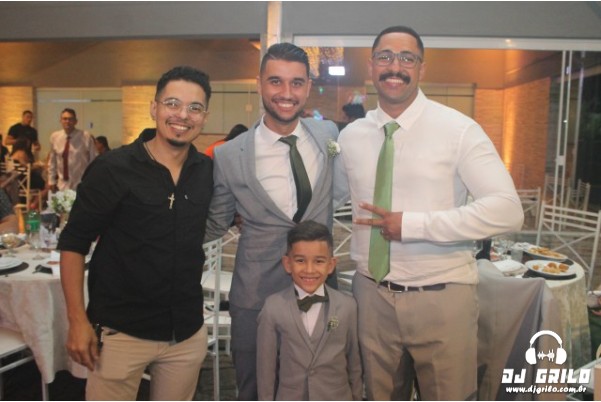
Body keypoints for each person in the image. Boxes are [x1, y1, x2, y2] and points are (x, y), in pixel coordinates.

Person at [336, 25, 524, 400]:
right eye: (385, 57)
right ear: (371, 66)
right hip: (371, 297)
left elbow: (507, 210)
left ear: (421, 68)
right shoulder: (351, 136)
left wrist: (413, 225)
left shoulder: (458, 130)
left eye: (407, 58)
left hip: (442, 298)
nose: (395, 66)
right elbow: (327, 198)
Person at [58, 66, 214, 400]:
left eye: (195, 107)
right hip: (121, 332)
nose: (182, 115)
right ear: (154, 108)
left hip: (185, 332)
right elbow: (73, 243)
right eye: (172, 103)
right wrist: (77, 320)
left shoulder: (207, 172)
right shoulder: (113, 169)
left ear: (204, 116)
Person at [205, 42, 344, 400]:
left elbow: (342, 193)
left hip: (319, 289)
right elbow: (216, 222)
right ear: (259, 84)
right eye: (276, 81)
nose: (286, 93)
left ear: (308, 87)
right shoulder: (229, 154)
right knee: (255, 386)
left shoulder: (328, 136)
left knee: (319, 386)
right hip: (256, 293)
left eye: (296, 83)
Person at [256, 220, 362, 401]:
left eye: (319, 261)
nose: (309, 270)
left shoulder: (348, 306)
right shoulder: (273, 308)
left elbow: (354, 364)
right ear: (287, 263)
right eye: (300, 261)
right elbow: (266, 370)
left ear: (331, 265)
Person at [47, 108, 97, 191]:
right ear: (60, 121)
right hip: (62, 183)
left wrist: (92, 180)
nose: (67, 121)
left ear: (75, 121)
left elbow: (93, 159)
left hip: (81, 182)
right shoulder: (54, 137)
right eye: (65, 119)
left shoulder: (86, 136)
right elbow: (52, 161)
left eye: (70, 119)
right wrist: (51, 180)